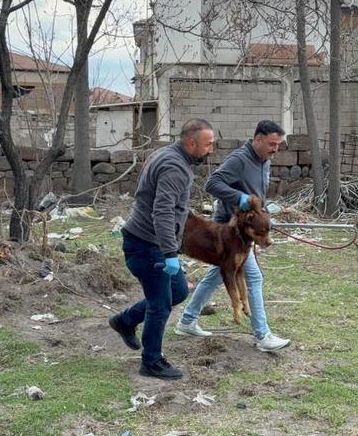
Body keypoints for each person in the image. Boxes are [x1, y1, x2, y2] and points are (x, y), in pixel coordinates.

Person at [109, 118, 216, 380]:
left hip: (149, 241)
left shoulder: (169, 154)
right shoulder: (174, 167)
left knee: (178, 291)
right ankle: (151, 361)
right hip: (147, 245)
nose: (211, 149)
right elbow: (162, 211)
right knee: (160, 305)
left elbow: (168, 205)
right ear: (191, 143)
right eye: (208, 144)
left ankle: (125, 321)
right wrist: (169, 253)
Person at [174, 120, 291, 352]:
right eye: (271, 144)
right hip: (229, 229)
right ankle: (262, 335)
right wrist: (239, 199)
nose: (275, 149)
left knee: (217, 275)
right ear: (257, 139)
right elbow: (212, 183)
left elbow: (257, 195)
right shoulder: (239, 160)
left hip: (247, 230)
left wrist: (263, 217)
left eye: (278, 144)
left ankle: (187, 321)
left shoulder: (264, 161)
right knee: (254, 278)